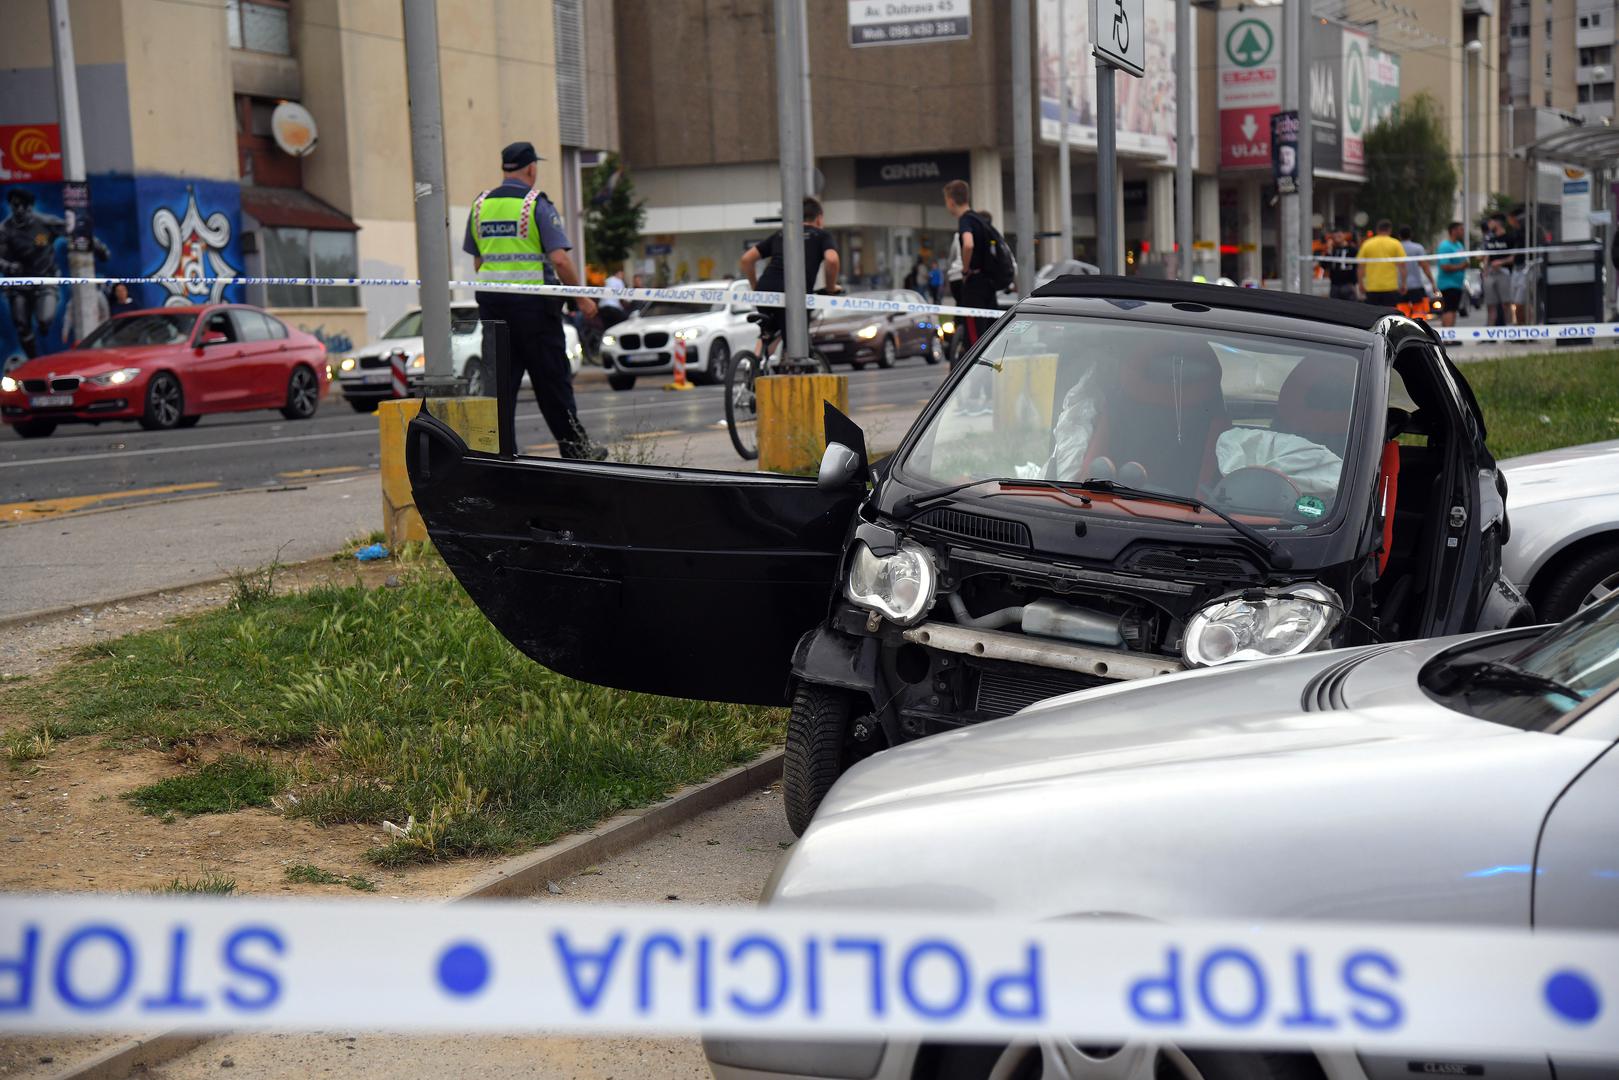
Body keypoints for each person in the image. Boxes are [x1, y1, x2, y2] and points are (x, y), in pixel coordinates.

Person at [463, 141, 603, 459]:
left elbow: (478, 262)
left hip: (494, 307)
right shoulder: (534, 204)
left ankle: (501, 457)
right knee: (552, 381)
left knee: (499, 387)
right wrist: (582, 298)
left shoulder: (480, 205)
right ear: (531, 168)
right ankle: (577, 451)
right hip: (534, 309)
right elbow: (560, 260)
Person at [738, 196, 840, 349]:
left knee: (769, 332)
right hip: (794, 294)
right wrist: (831, 288)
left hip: (765, 289)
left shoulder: (782, 234)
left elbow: (746, 259)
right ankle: (791, 360)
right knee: (796, 346)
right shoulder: (821, 235)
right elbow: (832, 260)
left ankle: (755, 361)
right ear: (819, 218)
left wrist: (756, 288)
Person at [944, 180, 1004, 349]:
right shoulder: (980, 220)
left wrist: (965, 269)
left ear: (951, 201)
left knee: (973, 339)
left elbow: (968, 244)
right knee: (989, 335)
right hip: (988, 284)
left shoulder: (966, 220)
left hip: (975, 286)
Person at [1355, 219, 1405, 309]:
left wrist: (1361, 284)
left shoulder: (1367, 244)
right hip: (1390, 287)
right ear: (1389, 230)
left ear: (1377, 230)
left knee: (1372, 314)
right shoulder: (1396, 243)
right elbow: (1402, 266)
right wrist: (1404, 283)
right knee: (1390, 314)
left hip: (1372, 288)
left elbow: (1360, 267)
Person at [1481, 214, 1513, 328]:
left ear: (1497, 223)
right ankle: (1490, 330)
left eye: (1491, 222)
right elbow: (1487, 256)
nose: (1489, 225)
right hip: (1490, 273)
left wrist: (1501, 262)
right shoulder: (1490, 239)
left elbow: (1513, 257)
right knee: (1490, 305)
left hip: (1504, 272)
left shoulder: (1509, 238)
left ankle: (1509, 328)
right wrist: (1485, 270)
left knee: (1506, 303)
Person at [1434, 221, 1468, 328]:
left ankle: (1451, 332)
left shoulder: (1459, 245)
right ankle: (1447, 333)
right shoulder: (1445, 246)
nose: (1463, 232)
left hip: (1457, 284)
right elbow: (1445, 266)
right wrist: (1461, 266)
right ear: (1453, 231)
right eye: (1461, 229)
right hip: (1448, 284)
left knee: (1453, 310)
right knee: (1449, 309)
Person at [1397, 225, 1436, 309]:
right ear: (1411, 235)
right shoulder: (1418, 248)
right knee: (1419, 312)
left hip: (1399, 286)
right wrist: (1432, 282)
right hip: (1416, 285)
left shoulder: (1396, 247)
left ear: (1399, 236)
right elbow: (1425, 267)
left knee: (1401, 312)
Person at [1505, 205, 1529, 325]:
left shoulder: (1526, 233)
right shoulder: (1515, 233)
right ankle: (1520, 325)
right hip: (1517, 268)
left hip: (1525, 268)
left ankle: (1524, 326)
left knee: (1520, 302)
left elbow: (1515, 255)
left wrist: (1502, 261)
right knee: (1516, 302)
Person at [1325, 227, 1360, 302]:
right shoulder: (1332, 250)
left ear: (1344, 235)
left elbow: (1357, 267)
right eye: (1335, 236)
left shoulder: (1352, 249)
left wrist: (1356, 284)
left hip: (1348, 284)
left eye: (1339, 236)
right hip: (1335, 285)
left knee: (1350, 306)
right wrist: (1329, 250)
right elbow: (1325, 266)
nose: (1337, 238)